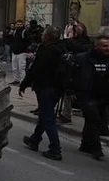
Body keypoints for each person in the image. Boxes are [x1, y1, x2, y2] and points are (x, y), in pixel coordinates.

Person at [20, 26, 65, 161]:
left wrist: (24, 83)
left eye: (44, 34)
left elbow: (35, 69)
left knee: (48, 118)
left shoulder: (45, 50)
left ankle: (55, 149)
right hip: (57, 89)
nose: (42, 36)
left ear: (48, 37)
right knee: (46, 114)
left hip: (45, 87)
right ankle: (35, 140)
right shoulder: (62, 48)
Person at [72, 30, 109, 160]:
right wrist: (71, 92)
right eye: (104, 46)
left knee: (93, 121)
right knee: (95, 120)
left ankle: (85, 144)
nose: (107, 48)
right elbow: (73, 77)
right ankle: (96, 148)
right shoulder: (83, 59)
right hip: (86, 95)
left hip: (103, 96)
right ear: (96, 46)